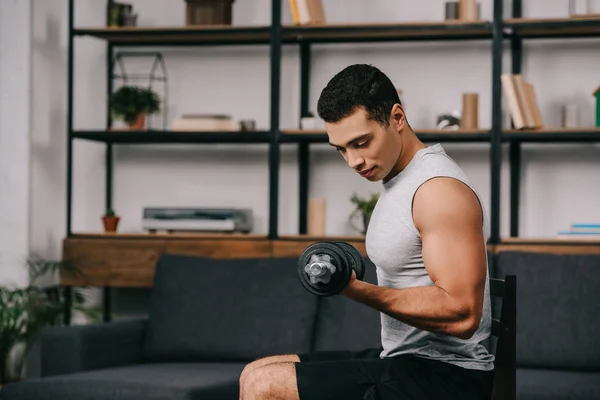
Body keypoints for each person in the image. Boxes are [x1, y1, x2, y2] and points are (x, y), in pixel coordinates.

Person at [239, 64, 495, 400]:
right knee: (255, 372)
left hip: (448, 377)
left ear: (397, 118)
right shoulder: (400, 180)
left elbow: (462, 313)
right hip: (404, 360)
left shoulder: (438, 191)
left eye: (361, 142)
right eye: (342, 149)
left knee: (266, 387)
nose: (353, 161)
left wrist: (355, 290)